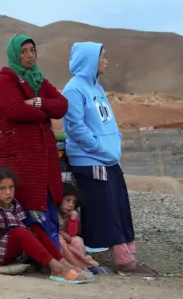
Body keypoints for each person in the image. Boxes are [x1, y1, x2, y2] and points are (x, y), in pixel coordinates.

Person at [62, 42, 156, 275]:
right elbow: (75, 129)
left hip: (108, 158)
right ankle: (124, 262)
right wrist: (99, 148)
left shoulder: (97, 88)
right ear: (90, 59)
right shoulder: (74, 89)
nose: (107, 61)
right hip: (91, 159)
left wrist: (115, 142)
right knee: (107, 210)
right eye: (103, 56)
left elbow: (106, 122)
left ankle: (130, 256)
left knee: (120, 206)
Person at [0, 34, 68, 249]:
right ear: (15, 54)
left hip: (42, 154)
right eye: (23, 51)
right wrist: (45, 113)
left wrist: (38, 102)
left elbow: (62, 105)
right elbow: (16, 110)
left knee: (48, 204)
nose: (29, 55)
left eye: (32, 50)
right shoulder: (5, 80)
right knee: (29, 206)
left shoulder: (37, 79)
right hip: (20, 157)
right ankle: (44, 257)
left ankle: (53, 255)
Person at [0, 168, 90, 283]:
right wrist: (5, 236)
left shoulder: (14, 205)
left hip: (8, 251)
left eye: (11, 187)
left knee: (35, 228)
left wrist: (22, 234)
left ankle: (65, 263)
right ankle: (57, 268)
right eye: (2, 188)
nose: (8, 192)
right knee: (19, 232)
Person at [57, 182, 101, 270]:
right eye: (67, 200)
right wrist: (62, 233)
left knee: (77, 240)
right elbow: (50, 228)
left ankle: (78, 262)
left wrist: (73, 219)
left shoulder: (71, 214)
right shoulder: (54, 212)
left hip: (68, 238)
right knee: (60, 240)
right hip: (57, 237)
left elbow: (72, 234)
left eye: (73, 202)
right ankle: (77, 264)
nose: (71, 205)